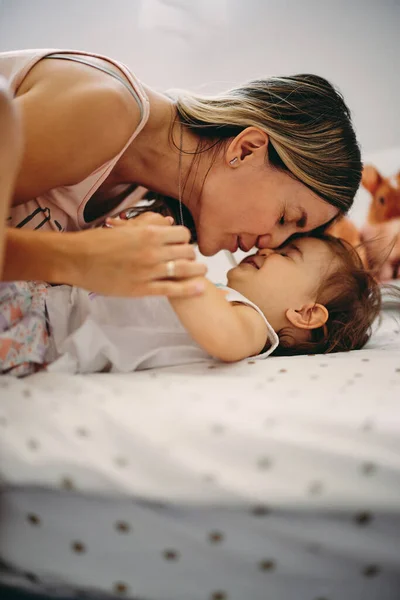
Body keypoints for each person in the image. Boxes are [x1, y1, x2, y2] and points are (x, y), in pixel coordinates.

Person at [0, 48, 362, 298]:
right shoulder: (105, 109)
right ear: (246, 149)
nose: (273, 245)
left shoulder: (147, 202)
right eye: (287, 217)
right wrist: (76, 259)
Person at [0, 228, 382, 376]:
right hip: (44, 298)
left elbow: (225, 339)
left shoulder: (252, 327)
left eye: (288, 254)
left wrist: (174, 261)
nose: (267, 250)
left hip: (45, 335)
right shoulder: (221, 293)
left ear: (305, 313)